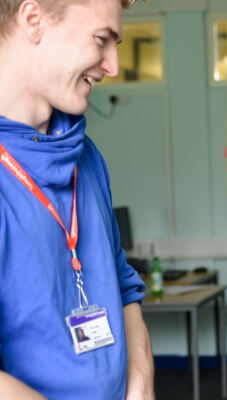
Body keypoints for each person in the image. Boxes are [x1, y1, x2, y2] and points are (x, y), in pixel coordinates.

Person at [0, 1, 154, 399]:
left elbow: (121, 283)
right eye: (101, 40)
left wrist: (141, 383)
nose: (112, 66)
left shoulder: (84, 156)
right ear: (34, 21)